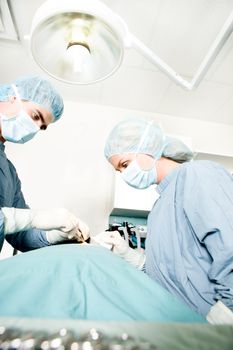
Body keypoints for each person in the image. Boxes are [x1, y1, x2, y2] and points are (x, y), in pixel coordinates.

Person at [100, 117, 233, 319]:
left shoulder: (199, 175)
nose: (124, 174)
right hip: (188, 329)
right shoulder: (158, 208)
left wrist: (226, 313)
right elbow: (169, 277)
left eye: (125, 164)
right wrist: (133, 258)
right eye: (119, 170)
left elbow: (229, 246)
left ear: (148, 146)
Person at [0, 75, 89, 254]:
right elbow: (25, 220)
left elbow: (22, 236)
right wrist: (35, 218)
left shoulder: (9, 172)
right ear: (12, 97)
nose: (35, 128)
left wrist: (55, 236)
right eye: (35, 116)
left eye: (42, 127)